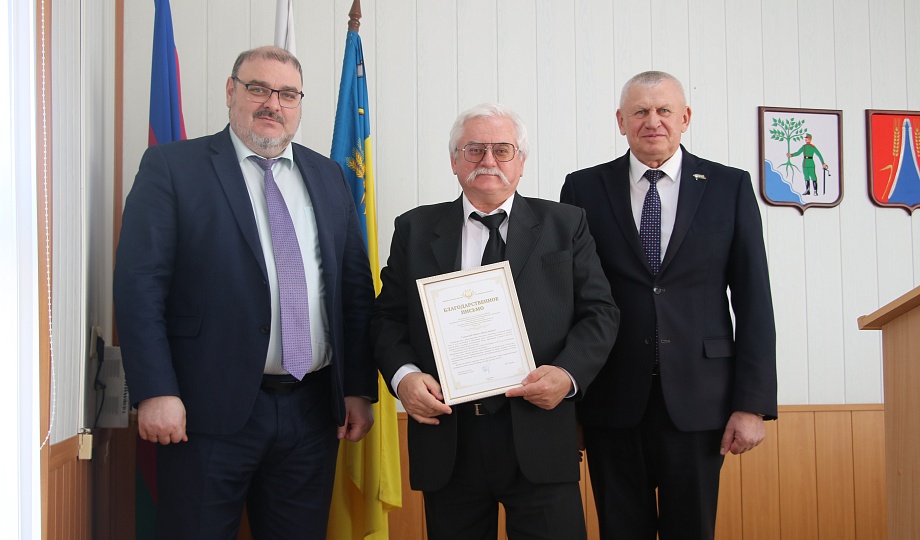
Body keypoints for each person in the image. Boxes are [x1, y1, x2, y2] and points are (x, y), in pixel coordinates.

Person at [113, 46, 378, 539]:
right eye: (259, 89)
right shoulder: (174, 167)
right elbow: (139, 288)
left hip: (311, 411)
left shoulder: (329, 176)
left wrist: (358, 389)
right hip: (203, 412)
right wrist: (155, 390)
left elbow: (354, 292)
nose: (272, 104)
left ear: (299, 104)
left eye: (288, 94)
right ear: (231, 92)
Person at [372, 103, 619, 540]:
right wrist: (404, 377)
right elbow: (386, 318)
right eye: (474, 149)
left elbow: (601, 312)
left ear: (521, 162)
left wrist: (567, 374)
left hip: (540, 431)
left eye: (502, 150)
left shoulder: (565, 224)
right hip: (449, 437)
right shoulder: (414, 228)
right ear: (454, 161)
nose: (488, 160)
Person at [561, 71, 777, 539]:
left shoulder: (728, 186)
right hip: (611, 399)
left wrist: (753, 404)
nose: (652, 121)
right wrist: (570, 407)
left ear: (685, 117)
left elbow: (753, 299)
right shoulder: (582, 189)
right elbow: (570, 303)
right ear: (621, 121)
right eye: (640, 111)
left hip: (702, 402)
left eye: (664, 110)